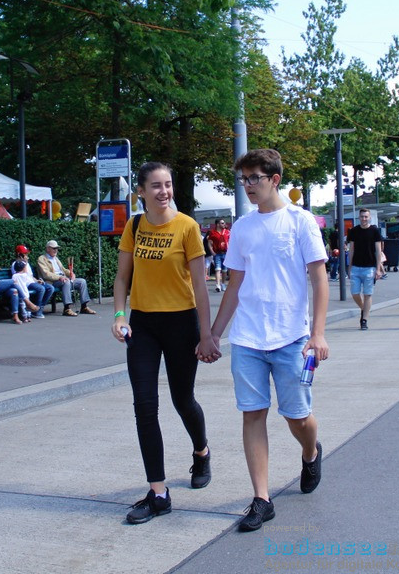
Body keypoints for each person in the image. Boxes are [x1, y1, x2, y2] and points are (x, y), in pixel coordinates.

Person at [209, 148, 328, 532]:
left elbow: (319, 278)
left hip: (291, 337)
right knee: (253, 412)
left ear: (274, 179)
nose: (248, 186)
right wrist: (214, 333)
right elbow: (234, 285)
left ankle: (311, 451)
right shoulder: (242, 227)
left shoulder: (300, 222)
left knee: (298, 417)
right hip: (247, 338)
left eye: (254, 179)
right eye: (243, 180)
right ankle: (262, 498)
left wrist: (318, 333)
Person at [110, 162, 215, 525]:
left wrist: (206, 333)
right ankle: (158, 492)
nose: (163, 191)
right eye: (155, 186)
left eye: (168, 184)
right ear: (141, 191)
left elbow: (201, 285)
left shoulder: (187, 227)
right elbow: (122, 277)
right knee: (144, 405)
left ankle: (201, 452)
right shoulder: (134, 226)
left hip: (181, 322)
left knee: (181, 399)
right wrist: (119, 317)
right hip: (143, 325)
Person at [345, 208, 383, 331]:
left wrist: (378, 269)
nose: (364, 219)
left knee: (367, 294)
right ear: (359, 217)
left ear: (370, 217)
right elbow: (351, 250)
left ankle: (364, 320)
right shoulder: (354, 231)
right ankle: (364, 308)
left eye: (366, 217)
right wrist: (349, 267)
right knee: (355, 293)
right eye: (362, 216)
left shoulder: (374, 231)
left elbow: (378, 251)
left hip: (370, 267)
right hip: (356, 266)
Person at [36, 241, 95, 316]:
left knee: (82, 281)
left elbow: (63, 269)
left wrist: (70, 273)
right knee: (66, 282)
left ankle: (84, 306)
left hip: (62, 278)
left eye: (57, 248)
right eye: (54, 248)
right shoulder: (41, 259)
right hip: (52, 281)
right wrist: (59, 277)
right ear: (48, 249)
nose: (56, 250)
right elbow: (46, 274)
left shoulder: (56, 259)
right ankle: (67, 308)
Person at [13, 245, 52, 316]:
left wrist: (37, 280)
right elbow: (20, 277)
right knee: (41, 289)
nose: (27, 255)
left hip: (32, 282)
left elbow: (30, 276)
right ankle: (36, 311)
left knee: (50, 288)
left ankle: (40, 308)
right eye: (25, 254)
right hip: (26, 284)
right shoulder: (16, 264)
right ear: (19, 254)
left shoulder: (26, 264)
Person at [206, 219, 230, 293]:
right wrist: (212, 252)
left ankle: (223, 284)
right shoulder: (212, 233)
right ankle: (218, 285)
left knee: (224, 270)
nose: (224, 224)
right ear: (217, 224)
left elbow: (230, 242)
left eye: (224, 223)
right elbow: (209, 243)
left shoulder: (227, 232)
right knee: (217, 269)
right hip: (217, 254)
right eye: (222, 223)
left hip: (225, 253)